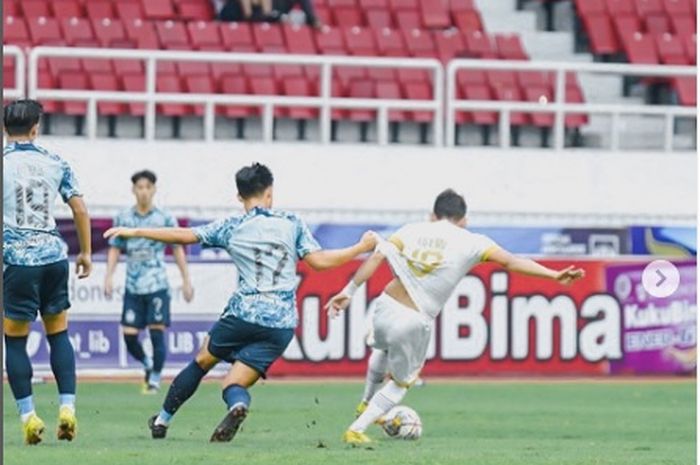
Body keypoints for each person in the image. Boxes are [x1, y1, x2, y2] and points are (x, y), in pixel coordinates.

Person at [103, 162, 378, 442]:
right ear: (270, 192)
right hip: (281, 323)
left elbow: (186, 236)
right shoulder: (291, 223)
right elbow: (319, 262)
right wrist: (360, 248)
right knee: (234, 383)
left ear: (239, 196)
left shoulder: (232, 226)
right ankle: (238, 404)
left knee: (202, 362)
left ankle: (162, 421)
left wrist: (136, 232)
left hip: (243, 314)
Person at [326, 189, 586, 444]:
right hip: (413, 319)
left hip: (385, 305)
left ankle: (365, 402)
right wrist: (553, 275)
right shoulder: (472, 241)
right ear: (464, 220)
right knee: (400, 384)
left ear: (432, 215)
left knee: (381, 349)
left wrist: (348, 291)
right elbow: (511, 262)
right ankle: (357, 429)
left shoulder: (409, 230)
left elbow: (377, 257)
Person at [3, 99, 92, 445]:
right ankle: (67, 408)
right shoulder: (55, 162)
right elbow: (80, 209)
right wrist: (85, 253)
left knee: (14, 338)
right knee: (58, 333)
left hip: (18, 261)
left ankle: (28, 416)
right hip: (54, 256)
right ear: (36, 128)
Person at [104, 170, 194, 394]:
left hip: (157, 285)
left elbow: (177, 248)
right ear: (133, 190)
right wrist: (109, 275)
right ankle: (146, 363)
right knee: (129, 335)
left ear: (154, 189)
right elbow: (115, 248)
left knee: (157, 331)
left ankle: (155, 378)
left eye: (147, 187)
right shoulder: (123, 218)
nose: (143, 191)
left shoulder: (164, 218)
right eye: (139, 187)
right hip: (133, 286)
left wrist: (186, 280)